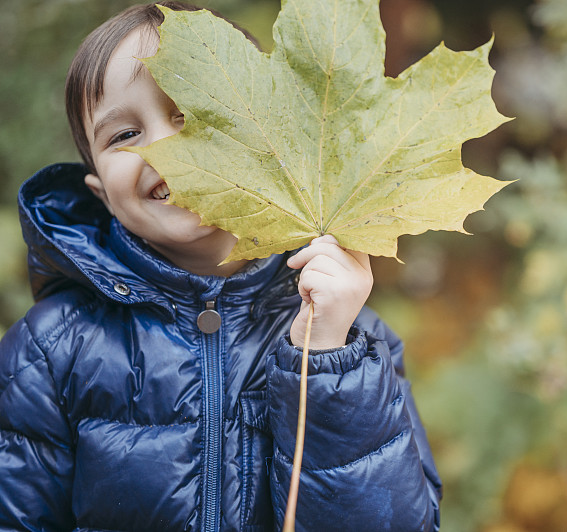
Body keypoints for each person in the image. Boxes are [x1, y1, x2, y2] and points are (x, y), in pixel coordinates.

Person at [0, 2, 442, 530]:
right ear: (101, 193)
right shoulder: (48, 351)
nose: (165, 147)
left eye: (190, 112)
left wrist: (325, 362)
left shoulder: (354, 342)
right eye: (123, 135)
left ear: (264, 136)